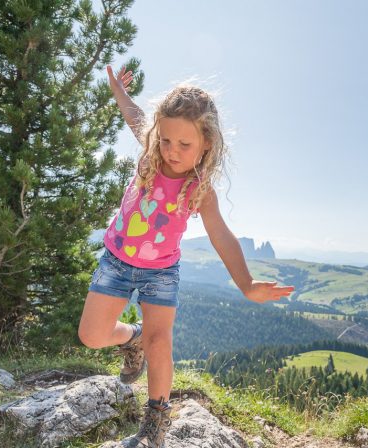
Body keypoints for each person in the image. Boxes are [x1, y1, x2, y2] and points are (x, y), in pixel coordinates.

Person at [78, 65, 295, 448]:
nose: (172, 151)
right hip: (116, 260)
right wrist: (117, 91)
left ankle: (155, 423)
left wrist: (246, 284)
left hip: (160, 272)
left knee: (161, 343)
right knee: (92, 336)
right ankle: (132, 339)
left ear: (206, 143)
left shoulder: (199, 189)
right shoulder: (150, 153)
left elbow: (221, 236)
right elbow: (133, 114)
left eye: (184, 145)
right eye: (165, 141)